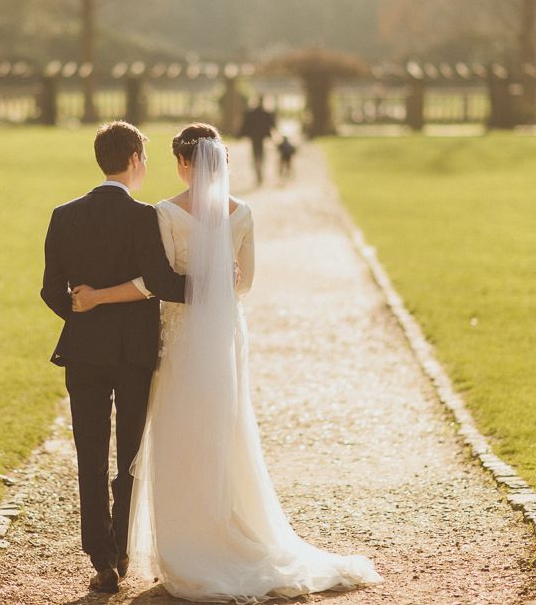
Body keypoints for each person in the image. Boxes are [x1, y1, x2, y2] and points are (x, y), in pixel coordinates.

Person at [71, 123, 383, 601]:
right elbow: (246, 284)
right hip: (222, 334)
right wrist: (220, 278)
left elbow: (158, 280)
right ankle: (228, 530)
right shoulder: (243, 214)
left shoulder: (165, 212)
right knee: (226, 428)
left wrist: (99, 297)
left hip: (177, 335)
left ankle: (183, 545)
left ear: (182, 163)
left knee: (176, 432)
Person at [40, 121, 187, 594]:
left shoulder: (63, 214)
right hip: (133, 352)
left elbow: (49, 290)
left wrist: (80, 311)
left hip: (83, 351)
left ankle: (100, 557)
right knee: (128, 452)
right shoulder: (144, 216)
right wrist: (213, 281)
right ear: (135, 160)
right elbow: (162, 283)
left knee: (89, 451)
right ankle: (121, 548)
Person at [239, 98, 276, 186]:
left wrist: (241, 134)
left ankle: (257, 170)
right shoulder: (266, 113)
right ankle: (260, 170)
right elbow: (272, 124)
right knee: (262, 154)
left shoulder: (250, 113)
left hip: (254, 137)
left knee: (255, 154)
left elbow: (245, 124)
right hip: (262, 137)